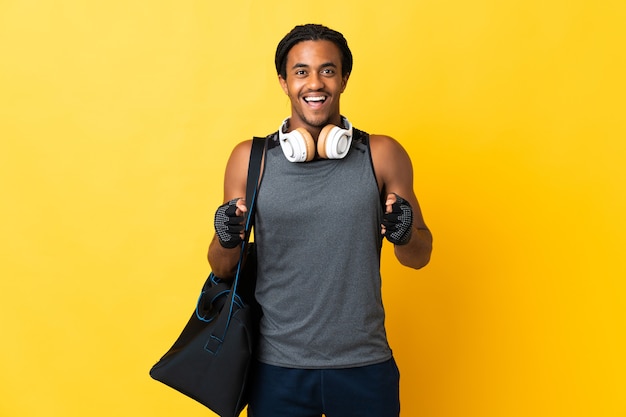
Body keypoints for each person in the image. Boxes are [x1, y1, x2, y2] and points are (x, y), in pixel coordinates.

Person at [208, 24, 432, 417]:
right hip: (276, 369)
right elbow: (223, 267)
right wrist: (226, 236)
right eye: (301, 72)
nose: (315, 83)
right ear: (284, 82)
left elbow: (419, 255)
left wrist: (404, 232)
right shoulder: (250, 159)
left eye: (328, 71)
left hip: (365, 365)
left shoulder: (381, 154)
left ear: (344, 78)